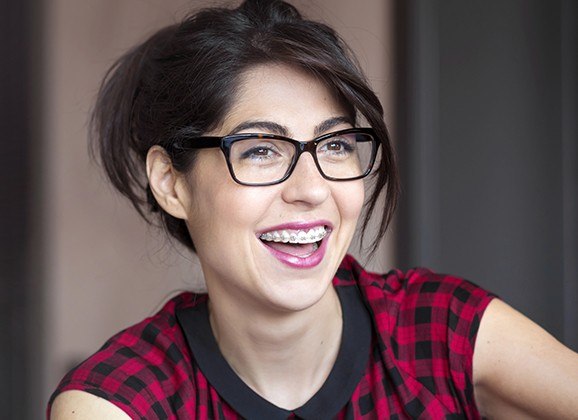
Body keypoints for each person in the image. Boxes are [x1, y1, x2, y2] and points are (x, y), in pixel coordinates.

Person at [48, 0, 578, 418]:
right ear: (171, 183)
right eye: (260, 150)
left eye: (336, 146)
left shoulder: (441, 332)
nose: (313, 189)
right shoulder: (121, 401)